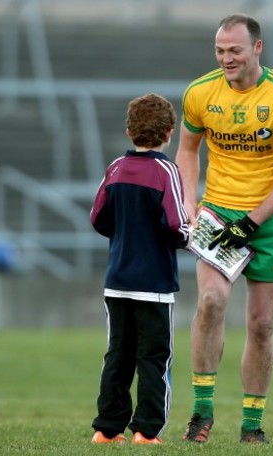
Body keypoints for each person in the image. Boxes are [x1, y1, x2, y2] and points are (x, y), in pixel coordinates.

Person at [175, 13, 273, 444]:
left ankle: (252, 426)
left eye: (234, 50)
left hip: (270, 219)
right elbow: (186, 151)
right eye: (219, 50)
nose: (226, 58)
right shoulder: (200, 92)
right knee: (212, 302)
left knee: (261, 324)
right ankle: (201, 414)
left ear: (257, 48)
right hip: (218, 214)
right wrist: (189, 203)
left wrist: (252, 221)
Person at [89, 93, 190, 445]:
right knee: (154, 357)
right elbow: (176, 225)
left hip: (117, 280)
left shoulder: (116, 168)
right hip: (154, 283)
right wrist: (193, 237)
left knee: (118, 353)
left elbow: (98, 218)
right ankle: (147, 432)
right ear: (169, 132)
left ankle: (107, 428)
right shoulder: (166, 170)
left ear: (128, 129)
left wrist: (126, 234)